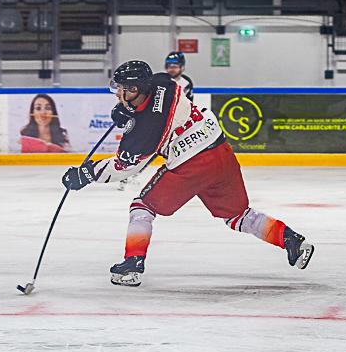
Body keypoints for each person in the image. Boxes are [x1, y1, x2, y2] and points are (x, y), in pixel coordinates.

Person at [61, 61, 314, 287]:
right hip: (221, 152)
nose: (118, 93)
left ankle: (133, 264)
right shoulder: (163, 83)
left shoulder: (145, 131)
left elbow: (125, 167)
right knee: (238, 215)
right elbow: (153, 107)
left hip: (191, 164)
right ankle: (292, 240)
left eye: (122, 88)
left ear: (136, 90)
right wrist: (132, 114)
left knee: (142, 206)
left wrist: (86, 174)